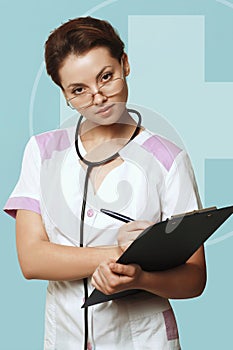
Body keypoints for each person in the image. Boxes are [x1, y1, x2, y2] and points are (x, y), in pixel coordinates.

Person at [4, 16, 206, 350]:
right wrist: (124, 254)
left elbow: (194, 278)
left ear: (125, 64)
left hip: (144, 340)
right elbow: (31, 259)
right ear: (65, 96)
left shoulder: (168, 159)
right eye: (78, 90)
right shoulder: (42, 152)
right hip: (64, 338)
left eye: (106, 77)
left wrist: (141, 277)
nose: (98, 98)